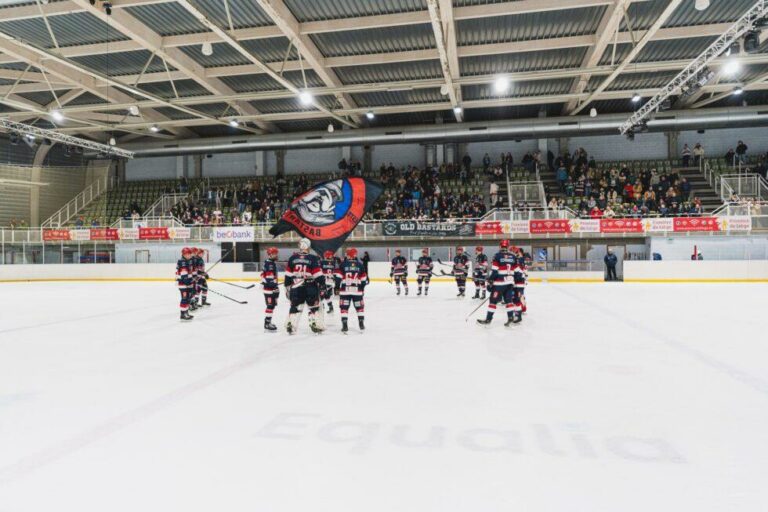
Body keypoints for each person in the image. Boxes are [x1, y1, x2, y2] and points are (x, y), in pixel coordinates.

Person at [284, 238, 325, 334]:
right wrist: (323, 284)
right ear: (308, 246)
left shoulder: (292, 258)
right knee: (313, 306)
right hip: (310, 286)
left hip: (296, 286)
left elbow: (288, 275)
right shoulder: (313, 258)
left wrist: (287, 287)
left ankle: (290, 324)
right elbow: (318, 275)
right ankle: (315, 324)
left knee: (295, 306)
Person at [477, 239, 522, 327]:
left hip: (499, 284)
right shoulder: (513, 256)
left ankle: (488, 319)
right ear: (508, 246)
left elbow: (495, 271)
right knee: (509, 301)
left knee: (493, 301)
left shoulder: (497, 256)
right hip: (509, 284)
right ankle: (510, 318)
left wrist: (490, 279)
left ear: (500, 246)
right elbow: (518, 272)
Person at [335, 248, 368, 333]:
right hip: (357, 291)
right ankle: (361, 323)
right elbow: (364, 280)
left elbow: (338, 278)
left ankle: (345, 325)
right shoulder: (360, 265)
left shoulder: (343, 264)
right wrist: (362, 289)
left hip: (345, 290)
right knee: (359, 307)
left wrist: (337, 288)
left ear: (348, 255)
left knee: (344, 308)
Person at [261, 247, 280, 332]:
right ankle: (267, 323)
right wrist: (274, 286)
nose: (276, 255)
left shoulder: (269, 263)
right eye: (275, 253)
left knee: (271, 306)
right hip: (269, 289)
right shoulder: (270, 264)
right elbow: (269, 278)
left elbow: (263, 275)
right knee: (270, 305)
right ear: (270, 254)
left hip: (269, 288)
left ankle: (268, 322)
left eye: (276, 253)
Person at [176, 247, 195, 321]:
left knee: (187, 299)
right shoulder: (182, 261)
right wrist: (188, 282)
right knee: (184, 299)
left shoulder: (188, 260)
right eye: (188, 254)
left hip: (188, 283)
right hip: (183, 284)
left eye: (190, 254)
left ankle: (186, 313)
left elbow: (190, 272)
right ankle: (183, 314)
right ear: (184, 254)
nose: (190, 255)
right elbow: (184, 274)